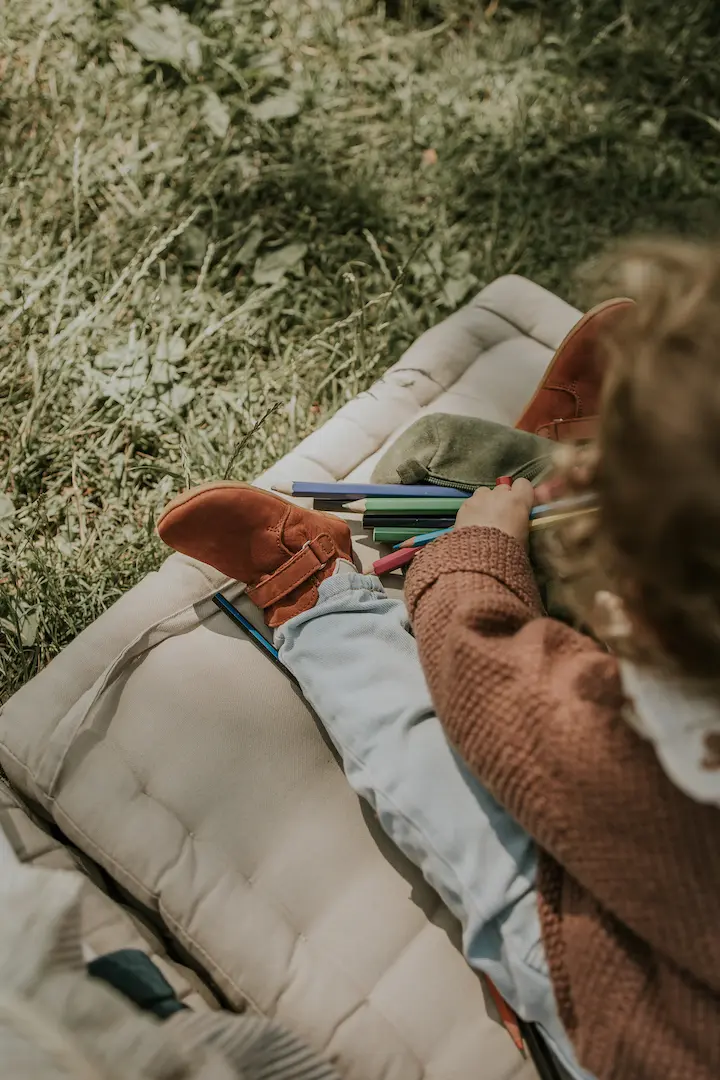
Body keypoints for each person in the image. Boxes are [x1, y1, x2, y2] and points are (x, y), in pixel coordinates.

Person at [157, 238, 720, 1080]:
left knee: (458, 805)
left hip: (640, 1025)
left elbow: (489, 677)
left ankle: (315, 601)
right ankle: (542, 490)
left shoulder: (652, 753)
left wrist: (475, 564)